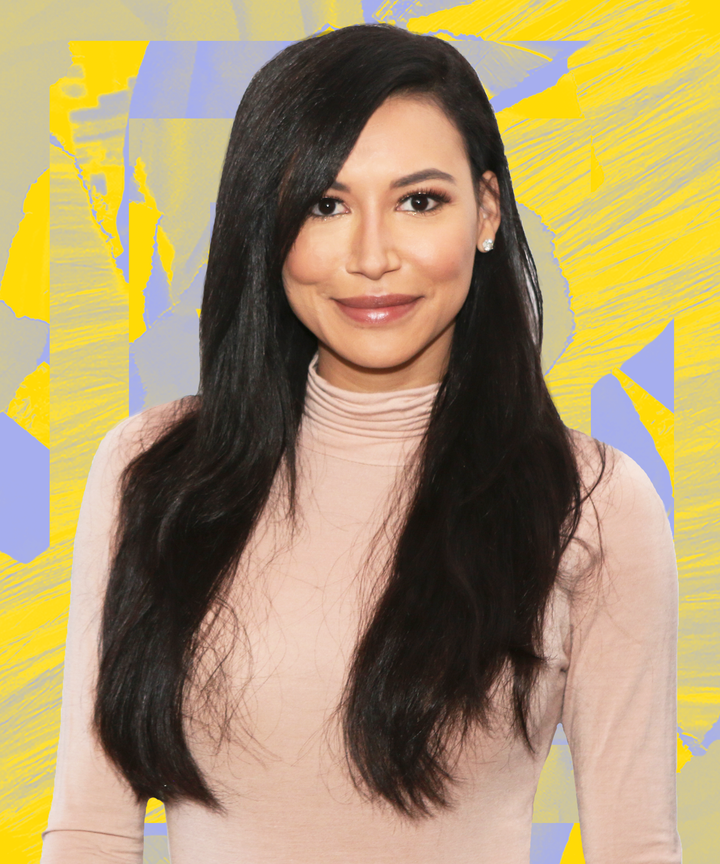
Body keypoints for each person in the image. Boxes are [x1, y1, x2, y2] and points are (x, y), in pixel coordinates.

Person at [41, 23, 681, 864]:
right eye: (326, 204)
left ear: (487, 210)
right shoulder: (151, 472)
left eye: (419, 202)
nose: (372, 257)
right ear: (268, 225)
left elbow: (635, 847)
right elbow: (89, 830)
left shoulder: (591, 503)